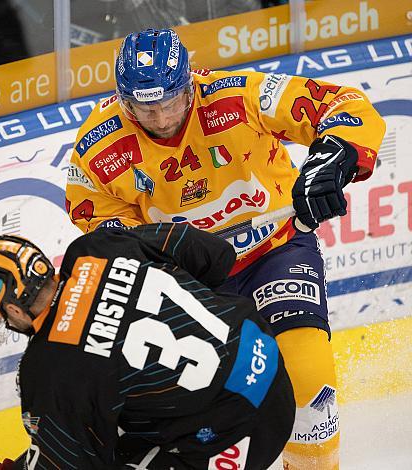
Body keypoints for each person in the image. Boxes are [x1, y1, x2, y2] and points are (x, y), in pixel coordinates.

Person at [65, 28, 386, 469]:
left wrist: (336, 152)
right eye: (145, 108)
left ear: (189, 85)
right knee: (210, 415)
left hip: (276, 251)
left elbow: (342, 103)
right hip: (194, 283)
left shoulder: (238, 95)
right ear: (123, 101)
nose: (161, 119)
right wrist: (144, 249)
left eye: (171, 103)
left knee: (310, 380)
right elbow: (96, 220)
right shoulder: (97, 149)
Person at [0, 223, 295, 469]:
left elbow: (64, 463)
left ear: (13, 309)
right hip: (271, 366)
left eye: (2, 317)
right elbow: (215, 254)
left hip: (242, 436)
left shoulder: (49, 368)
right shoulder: (95, 246)